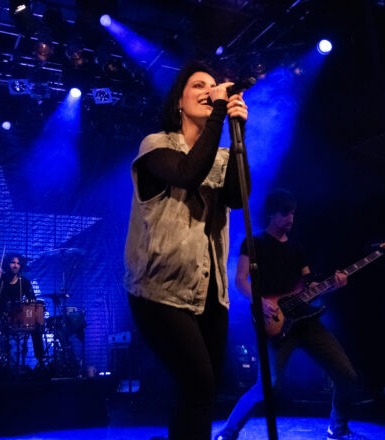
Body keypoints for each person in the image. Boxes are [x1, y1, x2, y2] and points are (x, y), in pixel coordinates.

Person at [124, 61, 251, 440]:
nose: (209, 91)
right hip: (158, 292)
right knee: (197, 384)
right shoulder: (156, 145)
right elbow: (187, 173)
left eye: (214, 87)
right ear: (179, 101)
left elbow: (238, 197)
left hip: (210, 293)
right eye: (198, 86)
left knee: (201, 391)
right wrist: (217, 113)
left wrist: (238, 128)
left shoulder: (225, 156)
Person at [215, 189, 367, 440]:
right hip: (274, 322)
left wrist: (333, 282)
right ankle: (228, 433)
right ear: (271, 214)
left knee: (347, 375)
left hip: (306, 322)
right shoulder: (254, 243)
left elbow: (308, 284)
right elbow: (241, 280)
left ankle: (337, 430)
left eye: (293, 214)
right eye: (285, 213)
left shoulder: (297, 249)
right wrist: (260, 301)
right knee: (266, 386)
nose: (291, 219)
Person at [0, 253, 44, 363]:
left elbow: (33, 301)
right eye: (13, 262)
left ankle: (41, 361)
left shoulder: (24, 282)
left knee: (36, 327)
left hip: (17, 318)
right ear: (7, 264)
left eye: (18, 263)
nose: (15, 265)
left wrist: (29, 303)